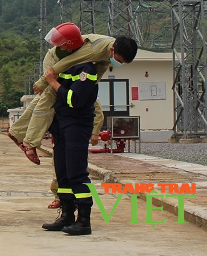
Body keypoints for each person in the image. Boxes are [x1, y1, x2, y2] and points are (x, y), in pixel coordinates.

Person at [9, 23, 138, 164]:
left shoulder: (109, 51)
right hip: (57, 62)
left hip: (69, 65)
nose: (118, 63)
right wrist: (43, 81)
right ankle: (30, 143)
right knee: (48, 97)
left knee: (42, 99)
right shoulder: (95, 50)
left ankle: (17, 131)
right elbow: (67, 62)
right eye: (118, 60)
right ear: (112, 50)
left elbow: (101, 68)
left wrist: (89, 88)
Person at [42, 63, 99, 235]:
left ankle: (83, 220)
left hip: (77, 124)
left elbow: (75, 99)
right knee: (62, 172)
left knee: (76, 172)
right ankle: (67, 214)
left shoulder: (87, 70)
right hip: (62, 124)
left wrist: (53, 82)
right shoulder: (64, 67)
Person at [47, 98, 103, 208]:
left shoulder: (84, 91)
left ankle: (79, 205)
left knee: (75, 171)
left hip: (76, 137)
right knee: (58, 171)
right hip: (60, 139)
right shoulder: (56, 93)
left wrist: (95, 132)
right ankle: (61, 200)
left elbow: (98, 114)